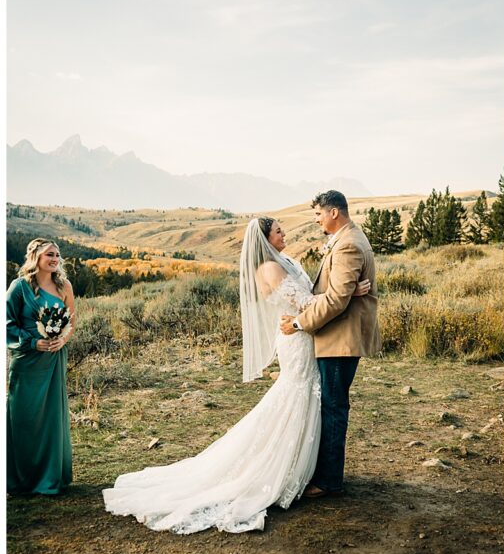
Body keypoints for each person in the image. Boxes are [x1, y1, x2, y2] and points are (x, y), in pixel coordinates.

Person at [102, 217, 370, 533]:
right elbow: (307, 302)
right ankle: (276, 470)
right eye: (279, 231)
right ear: (265, 239)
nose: (285, 233)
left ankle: (307, 468)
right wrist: (348, 292)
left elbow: (311, 295)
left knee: (307, 399)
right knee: (296, 397)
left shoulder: (285, 260)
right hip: (296, 339)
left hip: (305, 334)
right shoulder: (269, 269)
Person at [279, 190, 381, 498]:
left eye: (319, 215)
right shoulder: (347, 237)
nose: (317, 220)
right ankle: (325, 474)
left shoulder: (348, 244)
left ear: (334, 212)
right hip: (338, 337)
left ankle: (328, 482)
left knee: (334, 407)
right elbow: (341, 294)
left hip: (341, 339)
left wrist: (299, 323)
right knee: (331, 404)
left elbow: (336, 301)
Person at [7, 238, 76, 495]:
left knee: (50, 417)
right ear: (35, 257)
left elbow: (72, 318)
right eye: (49, 254)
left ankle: (50, 478)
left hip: (54, 360)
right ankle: (21, 479)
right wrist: (32, 343)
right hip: (26, 361)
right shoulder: (19, 287)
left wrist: (62, 340)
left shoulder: (64, 285)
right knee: (23, 417)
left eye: (57, 254)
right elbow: (7, 323)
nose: (55, 258)